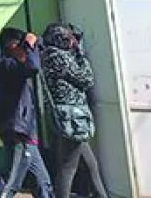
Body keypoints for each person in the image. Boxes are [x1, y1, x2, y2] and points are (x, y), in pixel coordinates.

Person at [41, 23, 109, 198]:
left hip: (72, 116)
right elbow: (85, 79)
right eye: (68, 39)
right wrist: (81, 54)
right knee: (68, 166)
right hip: (71, 117)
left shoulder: (52, 54)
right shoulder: (55, 56)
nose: (72, 42)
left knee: (90, 164)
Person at [0, 27, 54, 198]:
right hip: (19, 132)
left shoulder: (12, 67)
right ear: (12, 46)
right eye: (22, 46)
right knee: (11, 182)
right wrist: (30, 45)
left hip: (26, 133)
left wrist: (33, 46)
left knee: (43, 182)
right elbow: (33, 68)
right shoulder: (6, 66)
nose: (26, 51)